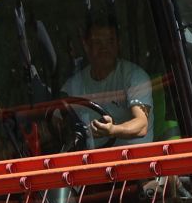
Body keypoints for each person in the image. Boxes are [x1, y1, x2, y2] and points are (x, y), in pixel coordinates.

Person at [64, 13, 153, 147]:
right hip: (93, 161)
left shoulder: (134, 76)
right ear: (86, 46)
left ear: (118, 44)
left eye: (110, 41)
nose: (104, 48)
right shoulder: (74, 85)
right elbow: (55, 121)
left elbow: (141, 125)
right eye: (97, 42)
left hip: (136, 160)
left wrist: (113, 130)